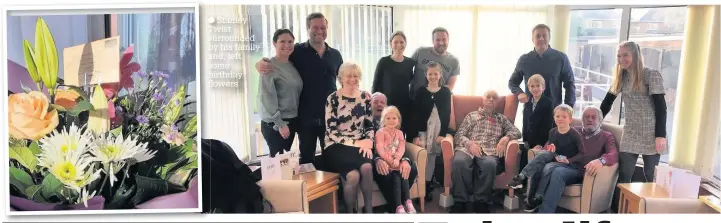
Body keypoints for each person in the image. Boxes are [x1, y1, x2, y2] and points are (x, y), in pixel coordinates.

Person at [255, 13, 344, 165]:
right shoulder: (297, 51)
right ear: (308, 28)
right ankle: (307, 189)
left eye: (323, 27)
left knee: (332, 159)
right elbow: (278, 59)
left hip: (329, 118)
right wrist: (259, 64)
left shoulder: (335, 55)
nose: (319, 31)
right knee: (306, 161)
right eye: (315, 27)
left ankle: (333, 189)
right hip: (304, 119)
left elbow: (344, 80)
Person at [600, 41, 667, 210]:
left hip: (651, 132)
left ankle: (651, 210)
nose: (621, 59)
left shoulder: (651, 75)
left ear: (635, 56)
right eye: (619, 56)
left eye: (625, 55)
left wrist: (661, 135)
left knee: (650, 175)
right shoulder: (621, 77)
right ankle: (618, 210)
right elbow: (607, 103)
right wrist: (594, 122)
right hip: (630, 131)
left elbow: (661, 107)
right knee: (624, 174)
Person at [523, 107, 618, 213]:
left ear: (600, 120)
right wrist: (546, 149)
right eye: (586, 117)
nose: (589, 119)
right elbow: (551, 142)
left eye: (593, 117)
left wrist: (601, 161)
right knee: (542, 165)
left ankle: (544, 214)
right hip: (564, 164)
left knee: (557, 172)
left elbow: (613, 154)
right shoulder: (573, 130)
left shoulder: (606, 136)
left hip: (582, 171)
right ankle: (533, 202)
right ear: (582, 119)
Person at [450, 90, 522, 213]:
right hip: (468, 148)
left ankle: (481, 201)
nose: (491, 99)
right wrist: (470, 144)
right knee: (459, 162)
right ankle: (460, 201)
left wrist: (506, 138)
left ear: (497, 102)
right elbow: (459, 135)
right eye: (488, 97)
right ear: (483, 100)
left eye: (494, 98)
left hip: (490, 151)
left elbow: (517, 132)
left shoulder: (501, 119)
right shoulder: (471, 115)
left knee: (490, 164)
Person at [323, 62, 375, 213]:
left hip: (361, 143)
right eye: (349, 76)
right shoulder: (332, 99)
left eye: (356, 76)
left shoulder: (365, 97)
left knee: (366, 168)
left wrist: (369, 142)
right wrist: (358, 143)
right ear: (341, 78)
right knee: (352, 176)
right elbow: (331, 131)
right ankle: (350, 213)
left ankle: (369, 211)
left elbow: (369, 125)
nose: (353, 79)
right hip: (336, 145)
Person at [507, 104, 585, 192]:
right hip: (556, 158)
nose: (560, 119)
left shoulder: (574, 134)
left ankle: (538, 195)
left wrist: (569, 160)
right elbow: (552, 148)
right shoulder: (552, 132)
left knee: (547, 167)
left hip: (568, 163)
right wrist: (550, 147)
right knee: (543, 155)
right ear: (554, 118)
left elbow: (582, 153)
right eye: (557, 116)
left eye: (564, 117)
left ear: (570, 119)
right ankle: (521, 177)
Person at [370, 92, 419, 213]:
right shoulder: (365, 122)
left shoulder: (396, 127)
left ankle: (401, 205)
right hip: (377, 160)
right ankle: (396, 206)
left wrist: (403, 160)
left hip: (395, 159)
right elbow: (372, 148)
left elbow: (401, 146)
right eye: (375, 102)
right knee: (388, 173)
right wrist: (377, 160)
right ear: (370, 104)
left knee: (411, 168)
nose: (379, 105)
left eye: (382, 102)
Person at [411, 61, 452, 202]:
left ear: (440, 74)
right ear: (426, 75)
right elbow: (415, 115)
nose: (433, 76)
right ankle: (418, 186)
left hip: (437, 129)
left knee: (432, 158)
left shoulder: (446, 92)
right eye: (430, 74)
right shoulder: (421, 92)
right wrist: (415, 135)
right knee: (422, 157)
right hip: (423, 130)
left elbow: (447, 114)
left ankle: (427, 186)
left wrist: (442, 134)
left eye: (436, 73)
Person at [508, 24, 576, 108]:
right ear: (533, 39)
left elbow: (570, 84)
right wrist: (520, 92)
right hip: (531, 112)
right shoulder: (524, 60)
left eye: (544, 35)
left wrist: (568, 107)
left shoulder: (561, 58)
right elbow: (512, 83)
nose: (541, 38)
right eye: (538, 36)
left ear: (549, 38)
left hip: (554, 112)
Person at [259, 29, 303, 157]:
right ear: (274, 43)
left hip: (292, 121)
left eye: (290, 41)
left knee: (285, 163)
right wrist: (280, 124)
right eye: (282, 41)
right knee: (278, 163)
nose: (287, 45)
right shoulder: (268, 66)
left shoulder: (292, 65)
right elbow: (266, 98)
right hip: (276, 123)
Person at [372, 31, 415, 136]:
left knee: (401, 134)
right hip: (387, 104)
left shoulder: (410, 63)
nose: (399, 45)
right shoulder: (383, 61)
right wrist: (375, 104)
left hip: (404, 104)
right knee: (387, 133)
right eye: (395, 42)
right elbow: (376, 84)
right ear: (391, 43)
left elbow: (413, 82)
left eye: (402, 42)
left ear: (405, 44)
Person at [409, 27, 460, 99]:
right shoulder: (420, 52)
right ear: (433, 41)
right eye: (438, 40)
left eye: (444, 39)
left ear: (448, 40)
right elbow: (406, 68)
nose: (441, 43)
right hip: (414, 100)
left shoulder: (454, 61)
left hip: (436, 104)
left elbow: (450, 86)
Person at [522, 74, 555, 151]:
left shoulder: (548, 103)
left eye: (538, 86)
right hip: (529, 141)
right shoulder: (527, 103)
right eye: (532, 86)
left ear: (543, 87)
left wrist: (540, 143)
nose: (535, 89)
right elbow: (525, 122)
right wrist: (525, 139)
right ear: (529, 88)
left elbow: (548, 126)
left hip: (541, 142)